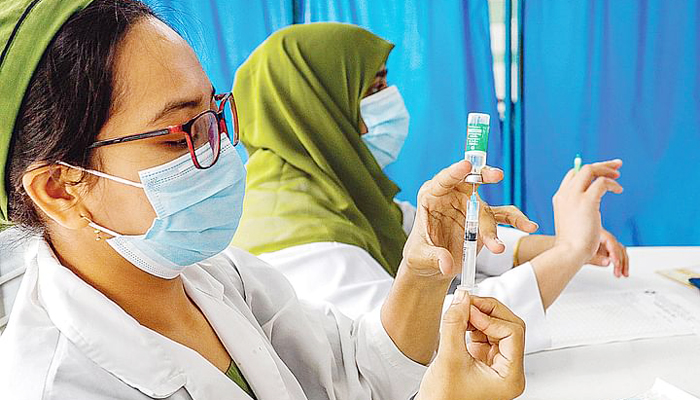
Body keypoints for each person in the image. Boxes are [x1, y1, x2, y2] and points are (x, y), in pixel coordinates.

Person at [0, 1, 535, 399]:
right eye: (179, 135)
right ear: (59, 190)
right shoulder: (59, 383)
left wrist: (422, 272)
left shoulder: (222, 277)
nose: (222, 152)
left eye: (216, 115)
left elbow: (357, 373)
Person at [231, 23, 628, 352]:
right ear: (317, 108)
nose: (391, 101)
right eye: (373, 89)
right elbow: (419, 343)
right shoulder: (300, 233)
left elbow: (441, 237)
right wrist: (570, 250)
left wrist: (565, 245)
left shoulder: (331, 187)